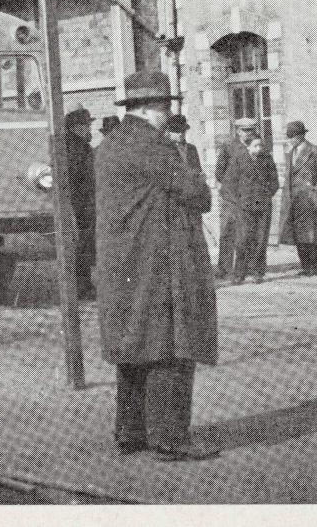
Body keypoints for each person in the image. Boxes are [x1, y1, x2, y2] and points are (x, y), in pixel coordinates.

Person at [96, 70, 218, 462]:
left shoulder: (109, 145)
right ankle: (170, 438)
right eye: (165, 108)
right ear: (153, 109)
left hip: (122, 263)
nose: (168, 116)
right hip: (159, 260)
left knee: (134, 347)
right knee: (170, 345)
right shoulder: (155, 146)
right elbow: (197, 195)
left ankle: (130, 432)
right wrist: (194, 175)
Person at [277, 121, 317, 276]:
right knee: (298, 234)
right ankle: (306, 266)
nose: (290, 140)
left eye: (293, 136)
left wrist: (315, 195)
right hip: (293, 200)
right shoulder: (290, 154)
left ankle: (316, 267)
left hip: (309, 199)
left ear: (301, 135)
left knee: (313, 234)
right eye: (288, 136)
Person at [223, 133, 278, 284]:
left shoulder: (267, 160)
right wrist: (238, 200)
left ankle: (257, 272)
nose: (259, 149)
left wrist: (266, 194)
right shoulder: (238, 160)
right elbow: (228, 184)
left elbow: (274, 181)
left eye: (261, 145)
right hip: (244, 206)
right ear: (247, 146)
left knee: (260, 239)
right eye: (255, 146)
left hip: (263, 205)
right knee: (243, 239)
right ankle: (239, 273)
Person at [214, 117, 259, 278]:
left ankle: (246, 268)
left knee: (248, 233)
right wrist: (227, 191)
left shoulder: (258, 146)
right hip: (231, 198)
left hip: (249, 198)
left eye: (251, 130)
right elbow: (219, 171)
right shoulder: (229, 146)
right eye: (246, 131)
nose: (249, 134)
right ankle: (224, 268)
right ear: (238, 131)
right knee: (228, 230)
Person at [64, 106, 97, 299]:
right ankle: (82, 287)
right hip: (81, 204)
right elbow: (78, 177)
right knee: (81, 246)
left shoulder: (74, 145)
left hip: (81, 202)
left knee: (82, 245)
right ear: (77, 127)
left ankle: (82, 285)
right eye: (86, 125)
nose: (89, 129)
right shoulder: (77, 147)